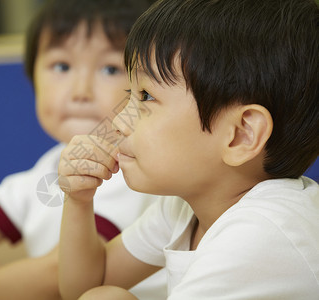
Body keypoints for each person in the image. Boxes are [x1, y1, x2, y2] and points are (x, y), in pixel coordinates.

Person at [0, 0, 167, 299]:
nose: (81, 90)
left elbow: (55, 270)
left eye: (109, 69)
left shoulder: (127, 169)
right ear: (33, 78)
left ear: (143, 88)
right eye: (62, 66)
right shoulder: (44, 170)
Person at [58, 0, 319, 299]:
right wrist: (78, 201)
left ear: (241, 135)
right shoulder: (188, 206)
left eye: (146, 96)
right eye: (131, 93)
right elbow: (87, 286)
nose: (118, 122)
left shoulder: (262, 234)